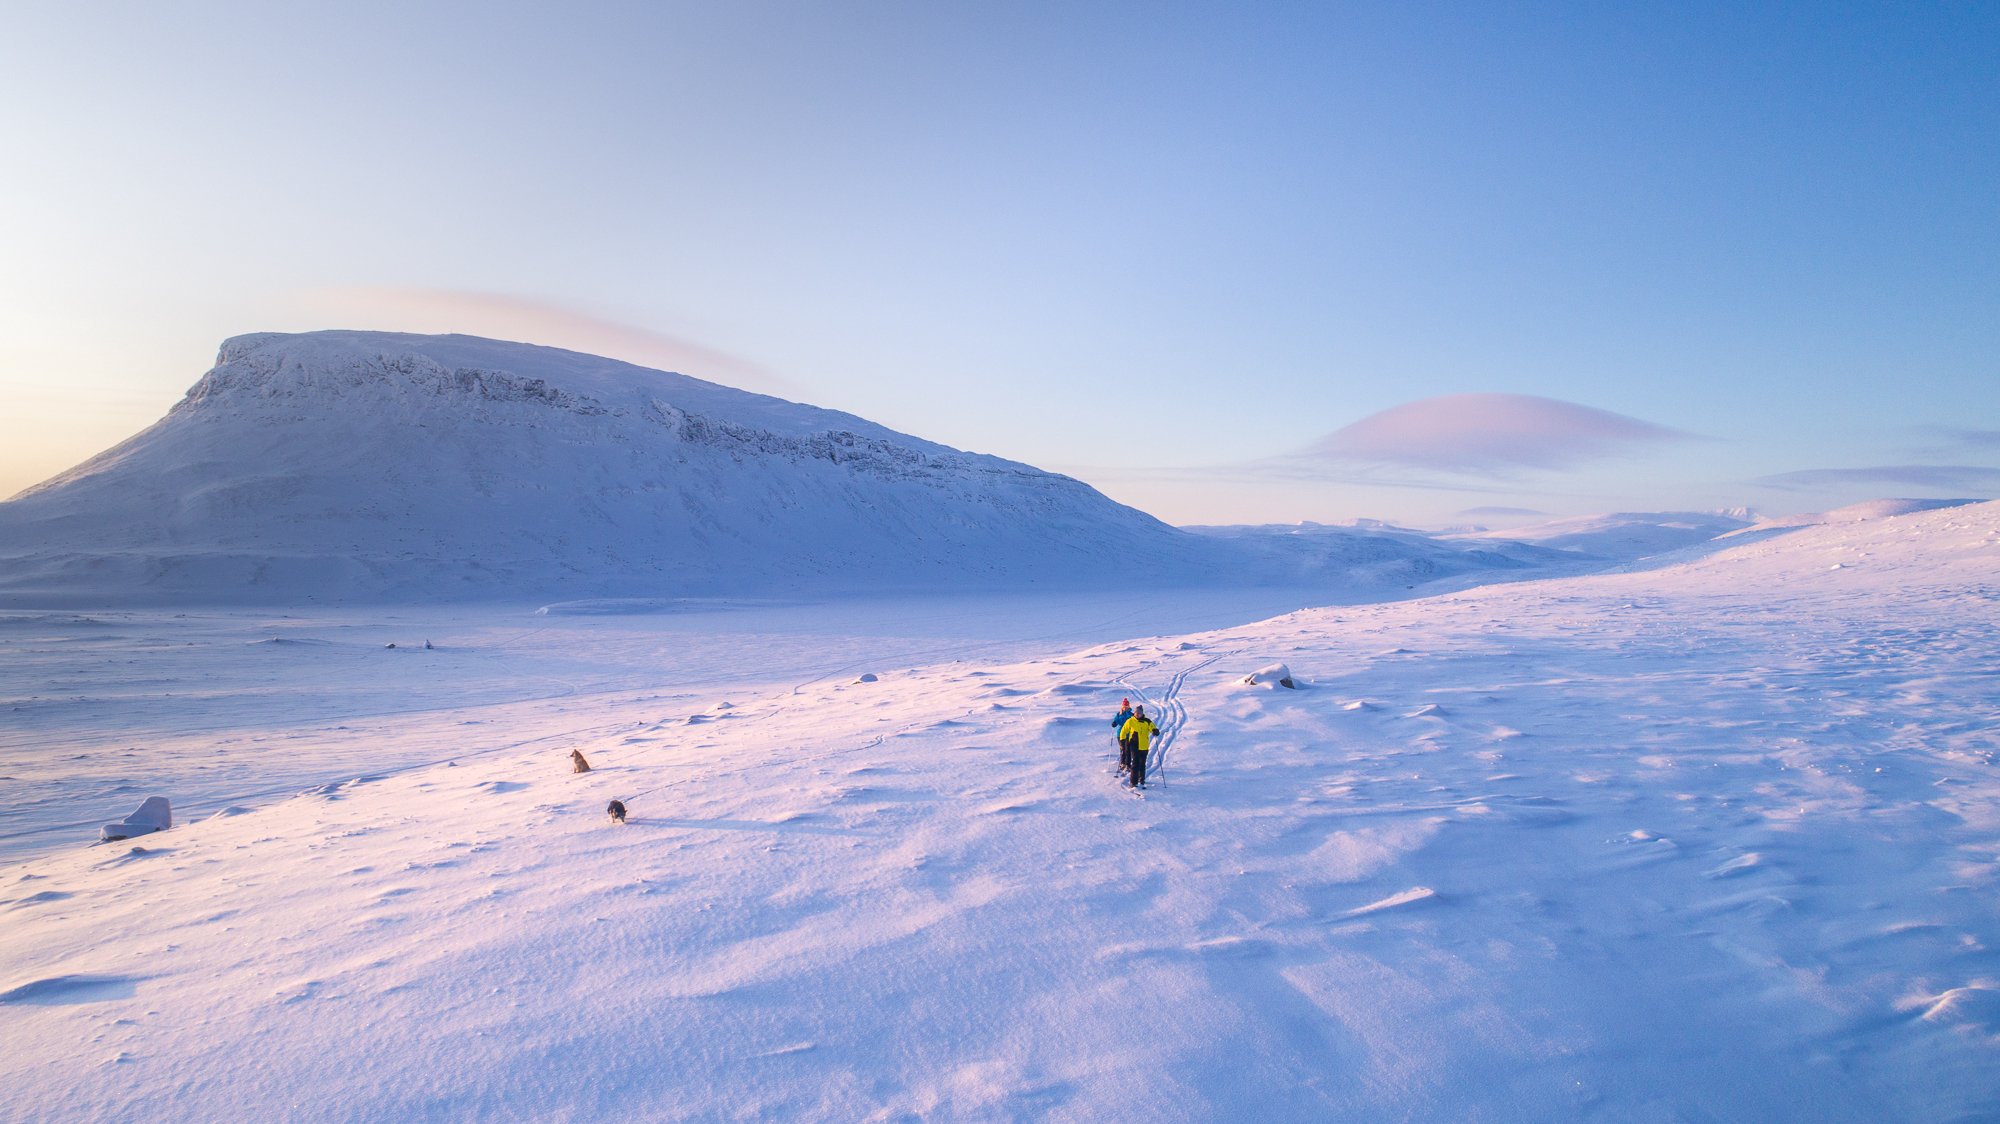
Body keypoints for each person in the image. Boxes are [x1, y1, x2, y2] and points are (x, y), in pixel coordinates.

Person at [1120, 705, 1159, 789]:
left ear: (1142, 713)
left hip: (1144, 745)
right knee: (1135, 763)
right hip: (1133, 744)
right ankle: (1133, 782)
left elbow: (1153, 728)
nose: (1137, 714)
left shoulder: (1147, 721)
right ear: (1134, 713)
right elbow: (1124, 730)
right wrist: (1122, 739)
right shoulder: (1130, 721)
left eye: (1139, 713)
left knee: (1142, 763)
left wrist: (1155, 731)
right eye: (1136, 712)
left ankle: (1141, 779)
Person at [1111, 698, 1134, 773]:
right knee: (1122, 749)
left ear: (1128, 706)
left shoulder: (1131, 714)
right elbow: (1116, 720)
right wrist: (1114, 723)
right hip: (1120, 734)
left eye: (1126, 707)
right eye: (1124, 706)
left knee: (1128, 749)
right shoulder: (1119, 714)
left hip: (1128, 734)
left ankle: (1128, 764)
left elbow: (1133, 721)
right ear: (1122, 706)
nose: (1125, 708)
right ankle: (1122, 763)